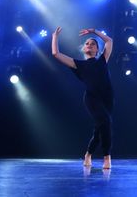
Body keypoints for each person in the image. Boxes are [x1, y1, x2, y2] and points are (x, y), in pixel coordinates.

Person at [51, 26, 114, 169]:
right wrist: (55, 37)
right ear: (83, 49)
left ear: (97, 50)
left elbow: (109, 41)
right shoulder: (78, 64)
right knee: (106, 122)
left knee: (99, 130)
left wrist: (94, 31)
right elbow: (56, 54)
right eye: (87, 43)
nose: (89, 45)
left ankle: (88, 154)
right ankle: (107, 157)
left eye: (93, 44)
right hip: (92, 98)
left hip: (108, 97)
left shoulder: (103, 59)